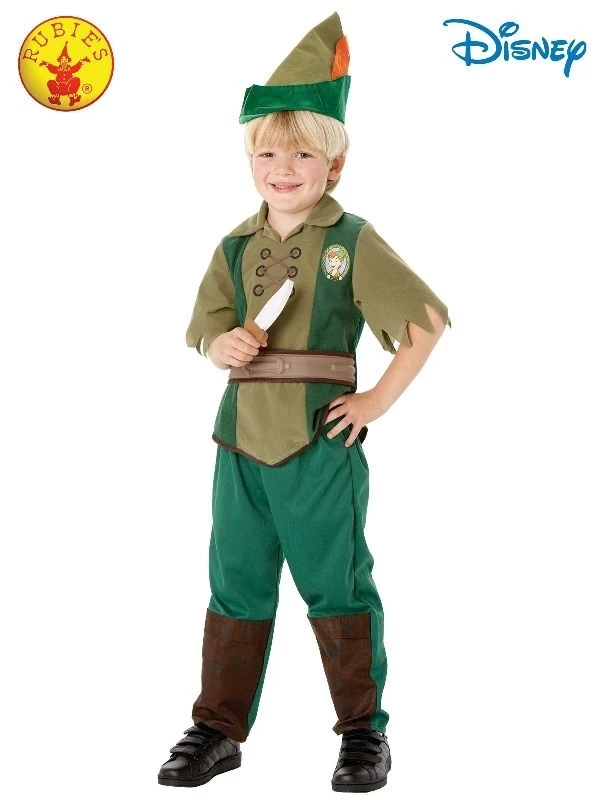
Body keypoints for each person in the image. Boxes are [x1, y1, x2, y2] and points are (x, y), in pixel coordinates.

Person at [157, 12, 451, 793]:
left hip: (320, 442)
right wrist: (221, 345)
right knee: (236, 584)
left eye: (301, 153)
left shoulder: (350, 240)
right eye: (267, 151)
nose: (281, 168)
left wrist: (376, 400)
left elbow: (425, 321)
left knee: (337, 585)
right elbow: (205, 326)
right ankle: (218, 728)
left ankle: (362, 732)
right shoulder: (234, 246)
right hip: (240, 441)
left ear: (335, 163)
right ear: (249, 158)